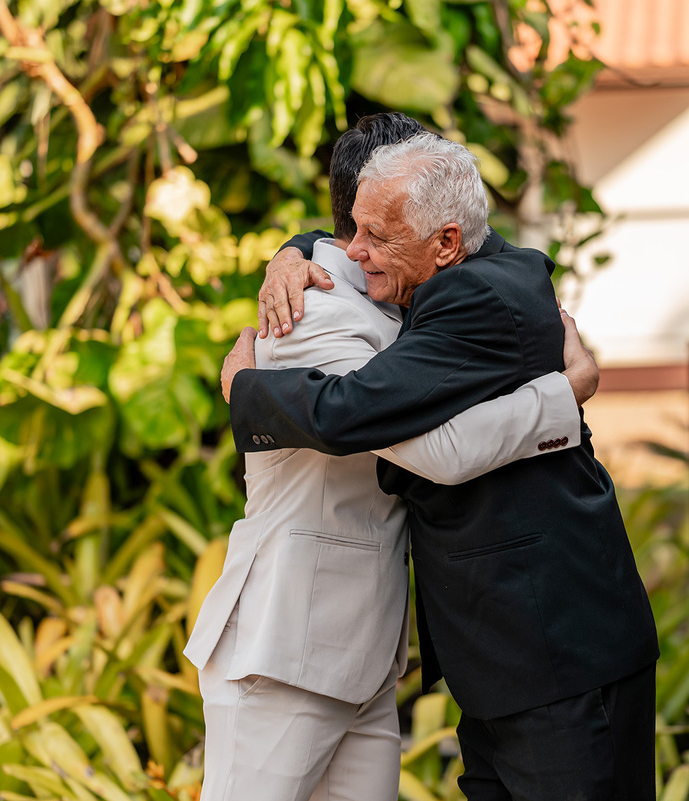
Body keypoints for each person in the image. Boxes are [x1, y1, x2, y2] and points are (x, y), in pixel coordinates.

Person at [224, 132, 659, 801]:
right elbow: (356, 238)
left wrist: (243, 388)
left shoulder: (474, 298)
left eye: (375, 235)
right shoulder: (464, 262)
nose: (354, 251)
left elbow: (374, 422)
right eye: (352, 229)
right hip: (510, 658)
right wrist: (297, 248)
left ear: (446, 241)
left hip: (558, 652)